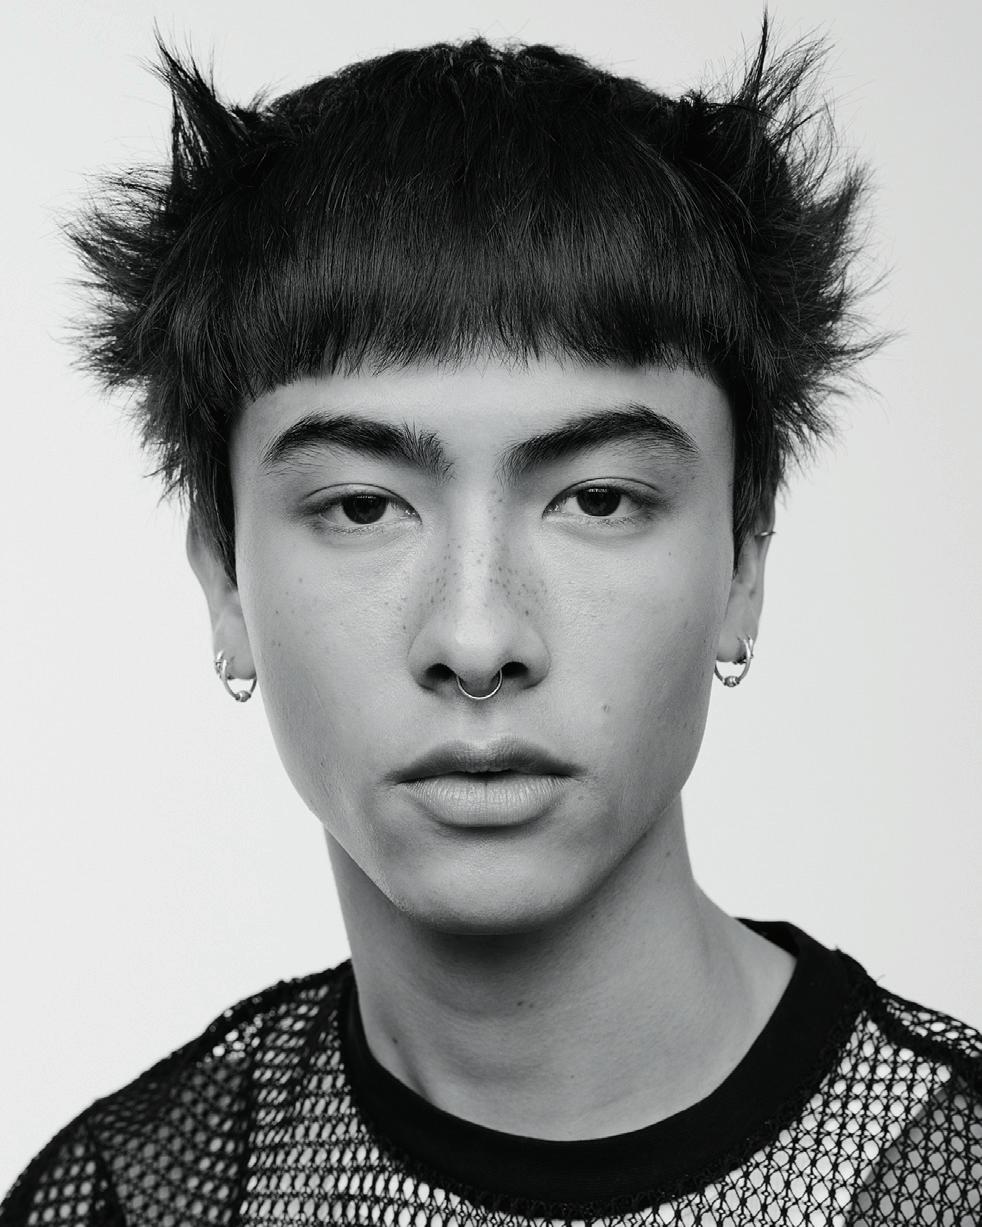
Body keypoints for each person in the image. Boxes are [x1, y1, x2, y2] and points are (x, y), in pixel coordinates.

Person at [2, 21, 980, 1226]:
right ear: (225, 580)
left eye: (597, 500)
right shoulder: (138, 1199)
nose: (475, 639)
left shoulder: (944, 1169)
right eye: (362, 506)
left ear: (744, 559)